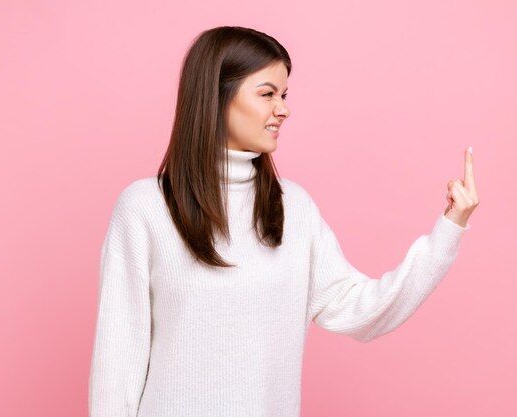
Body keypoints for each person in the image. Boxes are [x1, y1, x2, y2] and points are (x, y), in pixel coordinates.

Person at [88, 25, 479, 417]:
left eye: (285, 94)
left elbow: (366, 311)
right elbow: (117, 365)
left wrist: (449, 228)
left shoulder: (293, 208)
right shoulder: (144, 209)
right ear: (216, 97)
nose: (283, 108)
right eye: (267, 94)